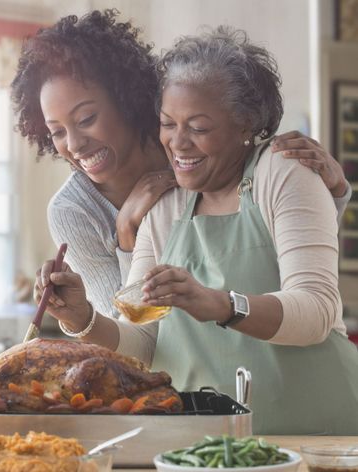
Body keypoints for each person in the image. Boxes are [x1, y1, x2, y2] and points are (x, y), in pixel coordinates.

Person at [36, 26, 358, 435]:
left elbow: (316, 310)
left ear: (245, 125)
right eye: (168, 124)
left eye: (199, 128)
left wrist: (222, 305)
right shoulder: (165, 205)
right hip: (200, 443)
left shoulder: (283, 171)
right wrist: (81, 318)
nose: (178, 143)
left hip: (318, 435)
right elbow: (144, 343)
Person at [11, 10, 349, 320]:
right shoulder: (73, 211)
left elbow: (289, 261)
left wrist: (333, 193)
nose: (73, 144)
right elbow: (129, 332)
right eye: (56, 131)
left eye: (87, 118)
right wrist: (126, 234)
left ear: (127, 98)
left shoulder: (199, 158)